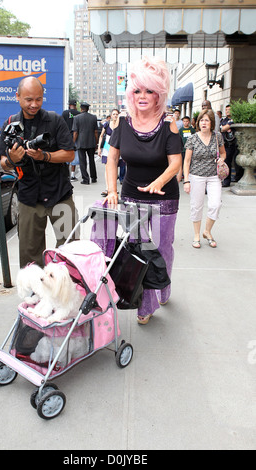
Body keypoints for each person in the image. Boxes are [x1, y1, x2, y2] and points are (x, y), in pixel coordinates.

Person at [104, 56, 182, 325]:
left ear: (159, 92)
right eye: (137, 90)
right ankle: (145, 305)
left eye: (149, 90)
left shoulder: (169, 124)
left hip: (163, 199)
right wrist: (112, 190)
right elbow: (112, 158)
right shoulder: (122, 124)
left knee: (162, 249)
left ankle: (164, 284)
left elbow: (176, 163)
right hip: (131, 198)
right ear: (130, 93)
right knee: (139, 249)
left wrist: (159, 181)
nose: (143, 96)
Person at [0, 76, 79, 268]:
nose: (34, 104)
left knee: (70, 249)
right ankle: (33, 294)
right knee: (30, 254)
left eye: (38, 99)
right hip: (28, 196)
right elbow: (3, 163)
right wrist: (13, 160)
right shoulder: (10, 124)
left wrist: (45, 156)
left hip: (59, 193)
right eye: (28, 100)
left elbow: (69, 154)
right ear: (17, 97)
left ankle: (67, 293)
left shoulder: (54, 120)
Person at [183, 109, 226, 249]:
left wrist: (221, 160)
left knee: (215, 204)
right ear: (198, 123)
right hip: (196, 176)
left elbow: (224, 153)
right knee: (196, 206)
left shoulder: (217, 136)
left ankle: (207, 231)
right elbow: (187, 161)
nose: (204, 123)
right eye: (202, 120)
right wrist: (186, 180)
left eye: (207, 120)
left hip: (214, 176)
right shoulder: (192, 139)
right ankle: (196, 235)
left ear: (212, 122)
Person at [72, 102, 98, 185]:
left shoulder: (76, 118)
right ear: (88, 109)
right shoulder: (93, 118)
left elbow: (75, 132)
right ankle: (93, 177)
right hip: (91, 142)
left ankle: (85, 179)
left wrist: (73, 143)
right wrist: (96, 142)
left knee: (82, 161)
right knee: (91, 160)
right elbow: (96, 132)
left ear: (81, 109)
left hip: (81, 142)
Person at [220, 103, 243, 187]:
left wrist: (227, 126)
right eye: (226, 110)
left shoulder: (236, 119)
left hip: (236, 143)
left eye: (229, 109)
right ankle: (226, 181)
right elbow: (222, 129)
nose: (227, 111)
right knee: (227, 162)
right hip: (227, 144)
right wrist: (229, 125)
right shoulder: (223, 120)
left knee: (238, 163)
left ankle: (238, 177)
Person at [98, 108, 120, 196]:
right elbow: (101, 135)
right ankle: (107, 188)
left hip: (117, 147)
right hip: (107, 147)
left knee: (115, 167)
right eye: (114, 114)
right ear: (111, 115)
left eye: (116, 114)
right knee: (107, 167)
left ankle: (114, 188)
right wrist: (99, 148)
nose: (115, 115)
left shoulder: (120, 125)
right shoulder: (107, 124)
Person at [62, 99, 80, 181]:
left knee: (66, 154)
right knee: (74, 155)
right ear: (75, 105)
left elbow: (61, 124)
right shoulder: (79, 114)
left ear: (69, 105)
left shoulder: (65, 113)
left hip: (66, 136)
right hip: (76, 136)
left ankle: (66, 174)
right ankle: (73, 174)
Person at [177, 115, 196, 182]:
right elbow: (178, 139)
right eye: (184, 121)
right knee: (182, 163)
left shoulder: (192, 130)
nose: (185, 123)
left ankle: (189, 175)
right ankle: (183, 175)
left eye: (187, 121)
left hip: (190, 149)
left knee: (190, 162)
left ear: (189, 122)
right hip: (183, 149)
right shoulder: (181, 130)